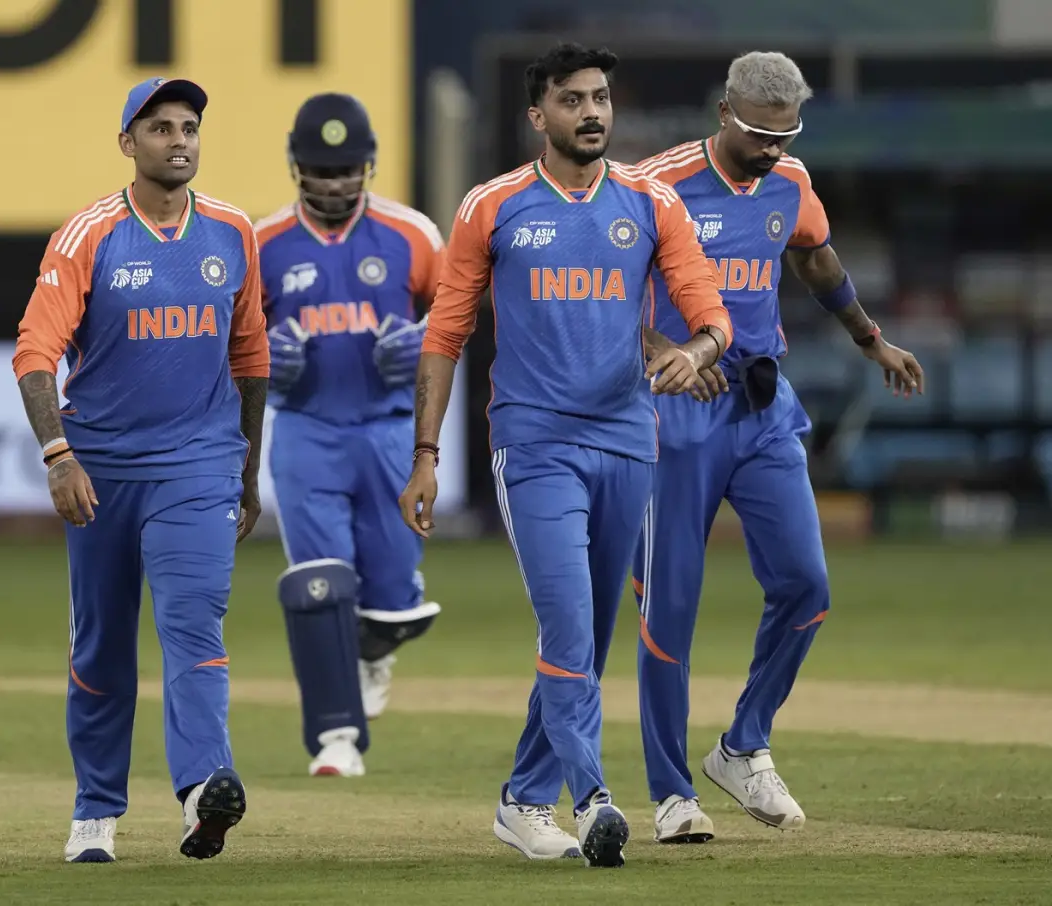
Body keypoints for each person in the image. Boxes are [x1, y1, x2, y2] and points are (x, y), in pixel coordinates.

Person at [399, 42, 733, 868]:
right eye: (573, 99)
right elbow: (444, 335)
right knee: (569, 624)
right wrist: (426, 454)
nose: (591, 113)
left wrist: (696, 350)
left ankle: (522, 800)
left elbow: (709, 310)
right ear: (537, 115)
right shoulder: (492, 206)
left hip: (627, 441)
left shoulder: (650, 202)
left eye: (601, 98)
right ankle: (593, 799)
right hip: (535, 444)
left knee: (583, 640)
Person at [631, 51, 925, 844]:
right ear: (724, 112)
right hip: (676, 412)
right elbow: (603, 287)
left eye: (784, 136)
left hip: (761, 406)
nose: (771, 149)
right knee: (670, 607)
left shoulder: (789, 180)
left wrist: (871, 340)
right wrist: (663, 350)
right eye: (760, 135)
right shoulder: (655, 185)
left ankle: (743, 745)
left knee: (806, 586)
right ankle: (671, 794)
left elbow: (815, 257)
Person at [11, 76, 270, 864]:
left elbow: (251, 356)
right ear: (128, 143)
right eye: (159, 128)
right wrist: (59, 456)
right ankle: (96, 810)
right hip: (102, 470)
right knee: (101, 647)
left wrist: (246, 472)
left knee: (193, 625)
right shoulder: (89, 235)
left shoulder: (232, 230)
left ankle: (203, 788)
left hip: (200, 464)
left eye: (189, 126)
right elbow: (34, 354)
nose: (178, 140)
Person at [253, 93, 446, 778]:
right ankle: (336, 736)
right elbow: (232, 339)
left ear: (368, 165)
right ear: (294, 165)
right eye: (319, 170)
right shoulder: (261, 243)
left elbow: (456, 317)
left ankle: (376, 646)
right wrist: (268, 360)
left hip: (390, 432)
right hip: (306, 430)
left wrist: (420, 343)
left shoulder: (412, 234)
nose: (333, 185)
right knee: (321, 583)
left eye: (345, 171)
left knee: (391, 593)